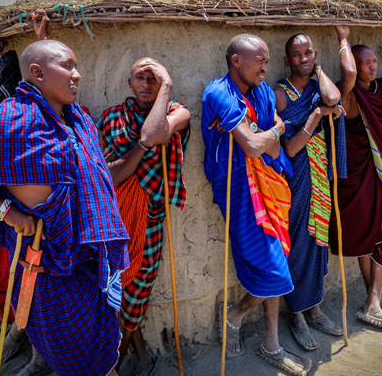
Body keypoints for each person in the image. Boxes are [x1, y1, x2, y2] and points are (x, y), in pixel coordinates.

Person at [0, 39, 129, 375]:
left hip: (91, 261)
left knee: (101, 356)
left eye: (76, 66)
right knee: (75, 358)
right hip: (50, 268)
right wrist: (6, 212)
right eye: (68, 66)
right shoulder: (8, 123)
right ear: (38, 73)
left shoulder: (77, 121)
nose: (78, 75)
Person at [202, 33, 311, 376]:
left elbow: (271, 150)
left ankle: (269, 340)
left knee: (276, 260)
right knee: (273, 267)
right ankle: (236, 316)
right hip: (236, 186)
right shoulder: (218, 92)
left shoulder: (262, 92)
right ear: (236, 61)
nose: (266, 66)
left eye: (267, 60)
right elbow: (251, 145)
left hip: (270, 183)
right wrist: (273, 131)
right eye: (259, 60)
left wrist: (268, 135)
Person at [97, 57, 190, 374]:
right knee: (113, 289)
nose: (147, 83)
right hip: (113, 220)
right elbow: (108, 175)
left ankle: (116, 358)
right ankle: (135, 350)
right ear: (129, 83)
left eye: (155, 78)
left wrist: (168, 85)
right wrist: (126, 162)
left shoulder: (179, 113)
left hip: (150, 222)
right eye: (141, 77)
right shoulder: (111, 119)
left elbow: (154, 134)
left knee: (137, 291)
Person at [330, 25, 382, 332]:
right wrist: (344, 40)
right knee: (381, 233)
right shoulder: (350, 95)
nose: (374, 66)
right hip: (354, 175)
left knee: (378, 233)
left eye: (375, 61)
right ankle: (374, 301)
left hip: (374, 173)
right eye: (367, 62)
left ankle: (373, 299)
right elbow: (349, 76)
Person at [274, 33, 345, 351]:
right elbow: (288, 148)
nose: (303, 58)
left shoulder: (318, 86)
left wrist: (318, 71)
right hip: (297, 178)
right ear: (287, 60)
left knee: (317, 243)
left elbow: (332, 99)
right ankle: (297, 314)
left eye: (309, 53)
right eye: (297, 54)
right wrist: (315, 115)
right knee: (298, 244)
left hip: (320, 177)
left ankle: (315, 307)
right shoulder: (281, 94)